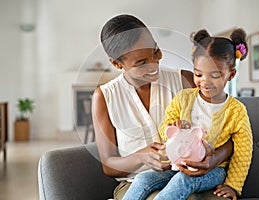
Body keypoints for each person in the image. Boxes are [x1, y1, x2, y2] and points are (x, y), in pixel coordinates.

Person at [92, 14, 234, 200]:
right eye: (141, 62)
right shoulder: (105, 97)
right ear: (117, 63)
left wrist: (213, 159)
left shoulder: (187, 80)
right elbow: (108, 165)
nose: (154, 63)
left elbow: (231, 131)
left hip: (190, 176)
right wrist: (141, 157)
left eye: (156, 51)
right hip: (135, 185)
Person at [123, 28, 253, 200]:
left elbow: (243, 151)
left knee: (183, 181)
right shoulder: (184, 98)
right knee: (143, 178)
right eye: (199, 74)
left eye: (215, 75)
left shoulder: (236, 111)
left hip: (215, 170)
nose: (205, 82)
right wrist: (174, 127)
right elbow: (165, 128)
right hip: (178, 163)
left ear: (231, 75)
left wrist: (233, 186)